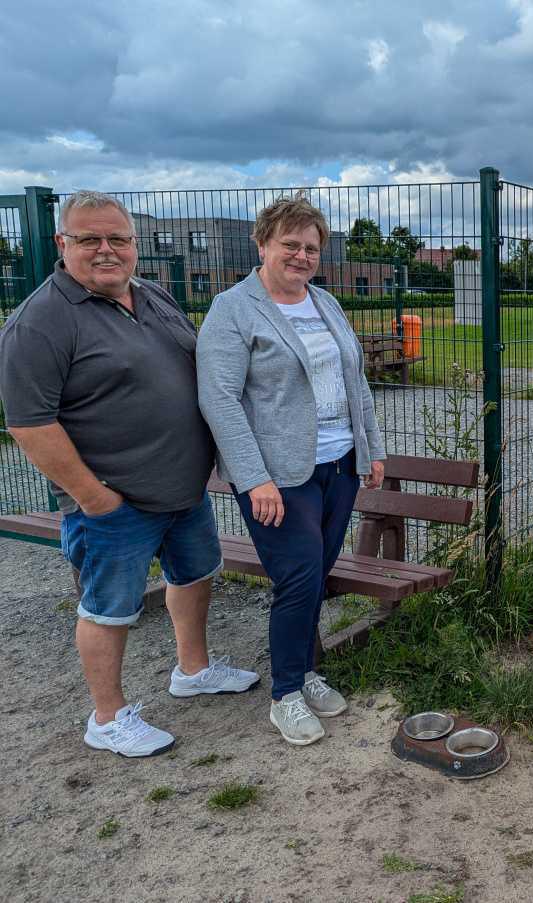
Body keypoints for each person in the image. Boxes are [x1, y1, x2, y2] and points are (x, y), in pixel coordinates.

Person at [0, 191, 259, 758]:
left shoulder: (153, 296)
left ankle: (193, 670)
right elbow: (29, 425)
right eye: (89, 239)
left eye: (117, 238)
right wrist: (93, 498)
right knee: (108, 608)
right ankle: (108, 718)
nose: (105, 250)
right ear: (62, 243)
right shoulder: (41, 322)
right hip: (115, 503)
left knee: (193, 576)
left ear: (134, 245)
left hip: (182, 491)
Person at [196, 196, 386, 745]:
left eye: (311, 248)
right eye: (290, 245)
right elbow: (221, 400)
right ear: (262, 245)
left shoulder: (324, 302)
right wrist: (254, 478)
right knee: (299, 576)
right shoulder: (233, 310)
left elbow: (357, 383)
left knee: (315, 571)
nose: (301, 256)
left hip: (338, 464)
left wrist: (370, 449)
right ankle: (285, 695)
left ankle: (306, 673)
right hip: (277, 475)